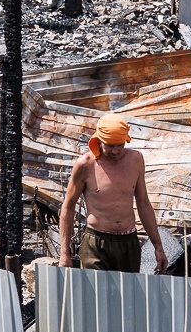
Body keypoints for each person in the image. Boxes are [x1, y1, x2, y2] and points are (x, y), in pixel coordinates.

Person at [59, 113, 168, 272]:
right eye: (110, 145)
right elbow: (68, 207)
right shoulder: (85, 165)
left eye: (120, 145)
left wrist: (158, 246)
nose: (116, 151)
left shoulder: (136, 159)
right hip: (96, 243)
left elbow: (143, 203)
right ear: (99, 140)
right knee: (96, 294)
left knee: (127, 294)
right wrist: (64, 253)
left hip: (128, 243)